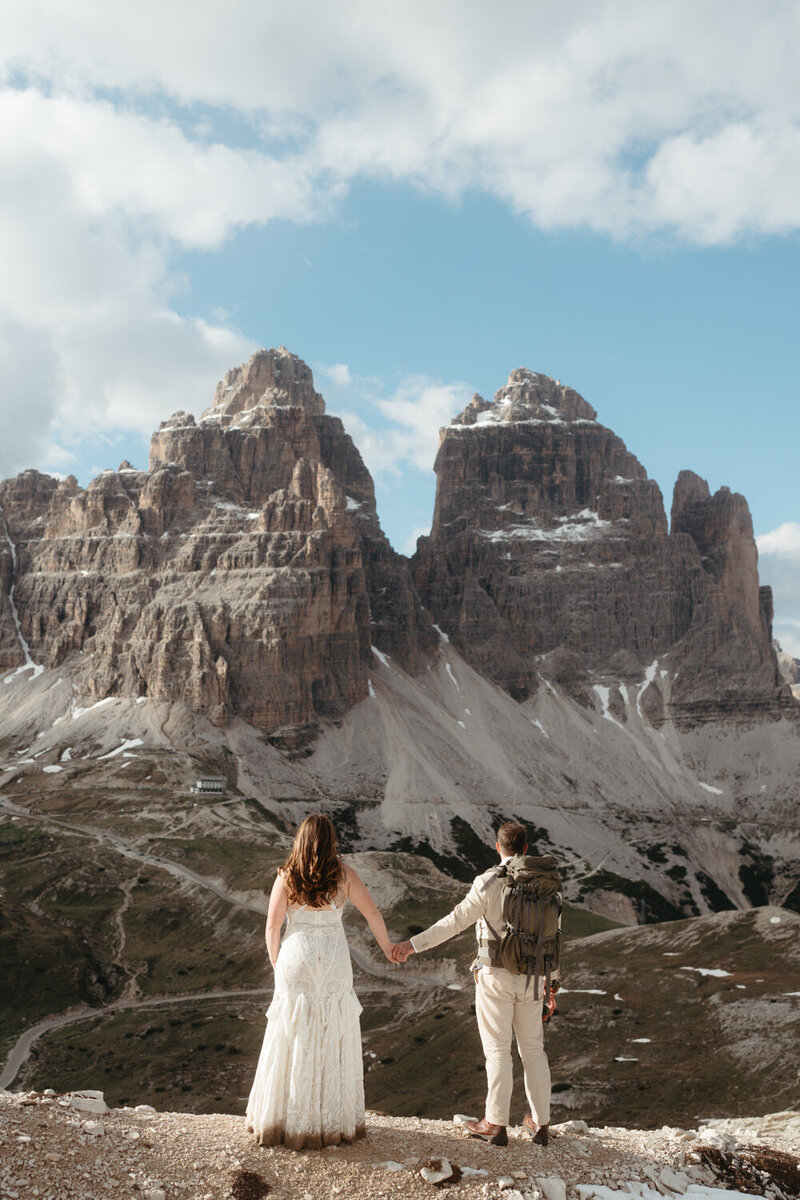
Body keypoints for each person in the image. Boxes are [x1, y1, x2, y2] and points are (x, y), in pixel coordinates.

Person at [392, 821, 558, 1146]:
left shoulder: (488, 882)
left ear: (499, 848)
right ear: (525, 849)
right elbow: (554, 937)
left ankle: (495, 1125)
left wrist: (411, 946)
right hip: (534, 975)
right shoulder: (548, 883)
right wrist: (552, 987)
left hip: (495, 974)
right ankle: (540, 1124)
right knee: (534, 1050)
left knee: (498, 1051)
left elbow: (454, 922)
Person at [246, 814, 398, 1149]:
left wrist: (275, 962)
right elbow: (372, 913)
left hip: (295, 956)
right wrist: (387, 947)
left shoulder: (287, 876)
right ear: (332, 841)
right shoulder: (344, 875)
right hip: (333, 959)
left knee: (292, 1031)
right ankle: (332, 1121)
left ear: (300, 839)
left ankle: (281, 1119)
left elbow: (272, 926)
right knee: (332, 1030)